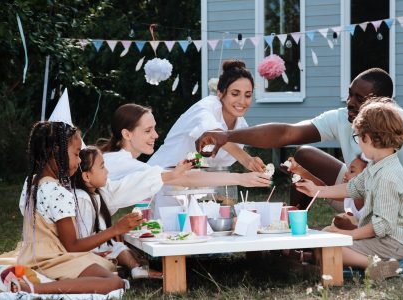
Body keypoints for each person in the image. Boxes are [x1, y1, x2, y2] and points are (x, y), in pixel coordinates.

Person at [195, 68, 403, 215]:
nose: (350, 102)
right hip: (356, 193)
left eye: (359, 98)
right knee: (304, 154)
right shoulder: (343, 118)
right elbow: (286, 133)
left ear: (381, 102)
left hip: (393, 209)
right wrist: (227, 135)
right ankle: (295, 235)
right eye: (349, 94)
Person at [295, 100, 403, 278]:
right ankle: (373, 265)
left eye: (357, 137)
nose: (358, 143)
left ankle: (384, 268)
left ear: (367, 137)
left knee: (327, 246)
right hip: (385, 240)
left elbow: (380, 226)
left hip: (393, 244)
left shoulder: (387, 177)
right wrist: (316, 191)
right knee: (324, 241)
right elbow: (353, 187)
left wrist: (347, 234)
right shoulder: (378, 166)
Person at [16, 121, 140, 294]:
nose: (79, 160)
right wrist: (116, 229)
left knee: (105, 265)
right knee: (114, 282)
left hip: (31, 255)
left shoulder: (32, 182)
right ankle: (36, 288)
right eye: (76, 154)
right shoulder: (59, 192)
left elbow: (50, 233)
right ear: (56, 152)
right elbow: (72, 246)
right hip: (50, 260)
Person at [97, 103, 272, 218]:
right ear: (127, 134)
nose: (156, 135)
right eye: (148, 130)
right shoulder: (121, 162)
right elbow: (183, 178)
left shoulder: (118, 159)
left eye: (155, 129)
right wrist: (242, 179)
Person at [148, 60, 265, 172]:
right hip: (160, 176)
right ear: (220, 93)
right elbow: (215, 134)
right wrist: (247, 160)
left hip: (195, 186)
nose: (242, 101)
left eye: (248, 95)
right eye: (235, 94)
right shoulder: (206, 107)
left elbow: (216, 167)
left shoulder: (241, 126)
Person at [73, 146, 164, 280]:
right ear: (86, 176)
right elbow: (82, 239)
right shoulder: (82, 199)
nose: (107, 172)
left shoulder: (96, 195)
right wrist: (116, 230)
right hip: (86, 252)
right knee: (117, 248)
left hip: (98, 247)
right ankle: (131, 268)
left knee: (119, 247)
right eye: (102, 167)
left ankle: (136, 268)